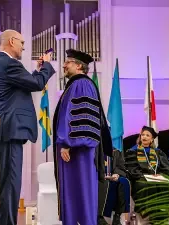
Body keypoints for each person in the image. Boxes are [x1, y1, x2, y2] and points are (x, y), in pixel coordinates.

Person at [0, 29, 55, 225]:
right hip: (10, 128)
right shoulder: (9, 64)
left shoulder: (4, 64)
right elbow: (36, 83)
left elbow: (25, 83)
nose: (24, 47)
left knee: (10, 181)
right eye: (22, 43)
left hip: (9, 128)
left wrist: (37, 71)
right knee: (11, 182)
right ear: (11, 41)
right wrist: (47, 66)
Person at [53, 49, 113, 225]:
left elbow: (81, 118)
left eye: (68, 62)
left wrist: (67, 143)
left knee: (81, 192)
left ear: (79, 65)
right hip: (74, 147)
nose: (64, 65)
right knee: (73, 192)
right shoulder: (74, 85)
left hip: (77, 149)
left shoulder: (81, 84)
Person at [124, 126, 169, 218]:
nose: (144, 137)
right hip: (140, 178)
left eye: (147, 135)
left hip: (157, 177)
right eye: (143, 135)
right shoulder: (132, 151)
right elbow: (131, 168)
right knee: (146, 184)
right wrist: (144, 175)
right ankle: (148, 211)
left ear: (152, 139)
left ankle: (163, 212)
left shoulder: (158, 152)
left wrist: (160, 175)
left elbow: (166, 167)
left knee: (166, 184)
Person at [98, 149, 131, 225]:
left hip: (112, 176)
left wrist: (116, 174)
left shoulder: (115, 150)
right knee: (104, 184)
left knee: (124, 182)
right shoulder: (96, 149)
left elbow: (120, 166)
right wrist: (102, 175)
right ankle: (99, 216)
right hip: (99, 177)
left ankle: (117, 215)